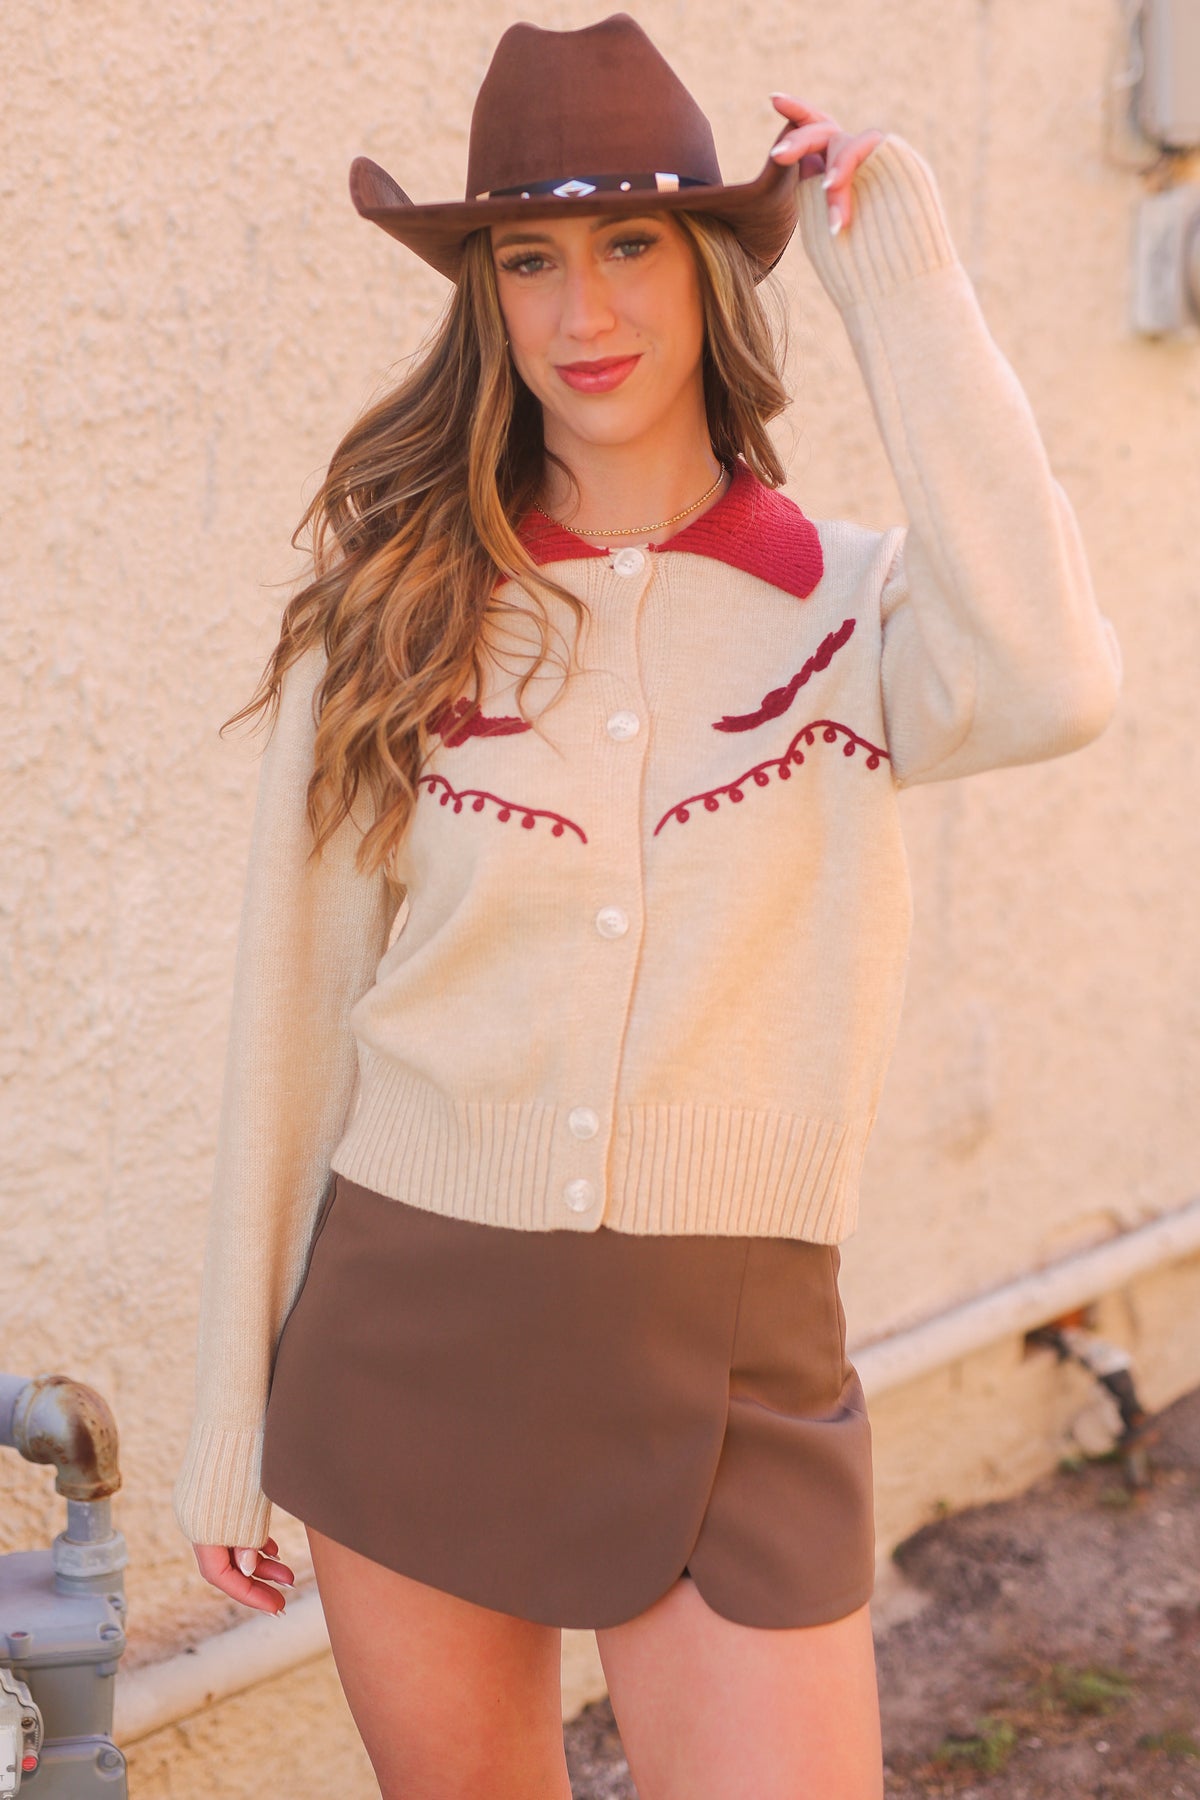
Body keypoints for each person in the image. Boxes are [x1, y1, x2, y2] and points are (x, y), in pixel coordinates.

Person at [172, 13, 1122, 1798]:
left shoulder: (854, 615)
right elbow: (290, 1025)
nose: (581, 309)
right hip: (412, 1340)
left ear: (709, 272)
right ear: (486, 297)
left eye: (630, 246)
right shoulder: (392, 613)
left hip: (736, 1363)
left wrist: (895, 283)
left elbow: (1061, 680)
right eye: (528, 257)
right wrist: (235, 1420)